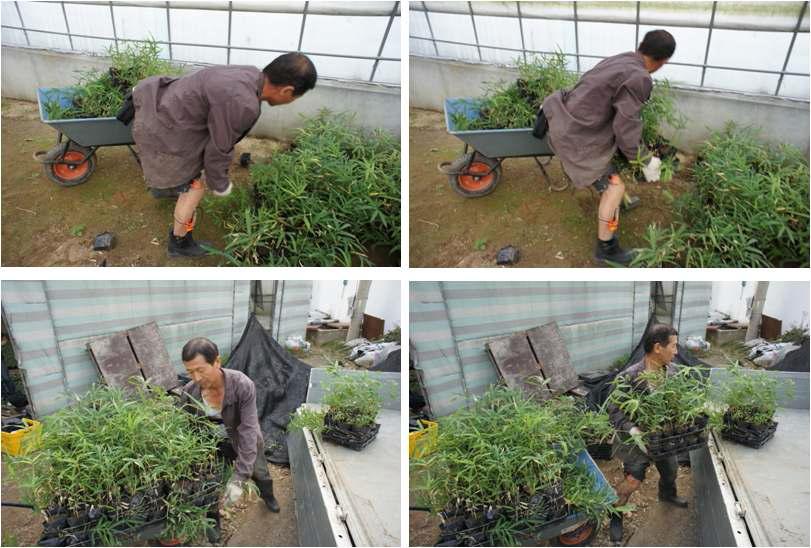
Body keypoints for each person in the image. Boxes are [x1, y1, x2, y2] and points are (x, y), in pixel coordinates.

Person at [132, 53, 317, 258]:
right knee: (196, 185)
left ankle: (165, 189)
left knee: (191, 169)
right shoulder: (244, 103)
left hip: (158, 100)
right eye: (295, 97)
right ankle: (179, 242)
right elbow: (218, 148)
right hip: (162, 124)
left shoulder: (249, 74)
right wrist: (220, 184)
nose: (292, 101)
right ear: (287, 91)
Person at [541, 30, 676, 265]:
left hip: (565, 114)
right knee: (614, 186)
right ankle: (606, 248)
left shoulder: (623, 58)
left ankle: (620, 203)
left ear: (641, 45)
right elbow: (626, 125)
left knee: (614, 156)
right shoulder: (639, 77)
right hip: (576, 134)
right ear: (663, 61)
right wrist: (645, 159)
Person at [605, 323, 687, 543]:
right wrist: (633, 431)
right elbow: (613, 409)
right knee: (632, 482)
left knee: (670, 470)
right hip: (635, 442)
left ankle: (667, 494)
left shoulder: (674, 372)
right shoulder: (628, 377)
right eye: (673, 346)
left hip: (664, 438)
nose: (677, 352)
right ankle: (615, 515)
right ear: (658, 347)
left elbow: (678, 404)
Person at [178, 337, 280, 515]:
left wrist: (239, 478)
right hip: (214, 445)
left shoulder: (241, 385)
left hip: (243, 440)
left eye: (200, 370)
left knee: (260, 472)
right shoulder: (189, 392)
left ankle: (268, 495)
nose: (196, 378)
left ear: (217, 361)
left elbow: (248, 430)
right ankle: (212, 523)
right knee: (210, 484)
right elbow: (188, 430)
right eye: (189, 372)